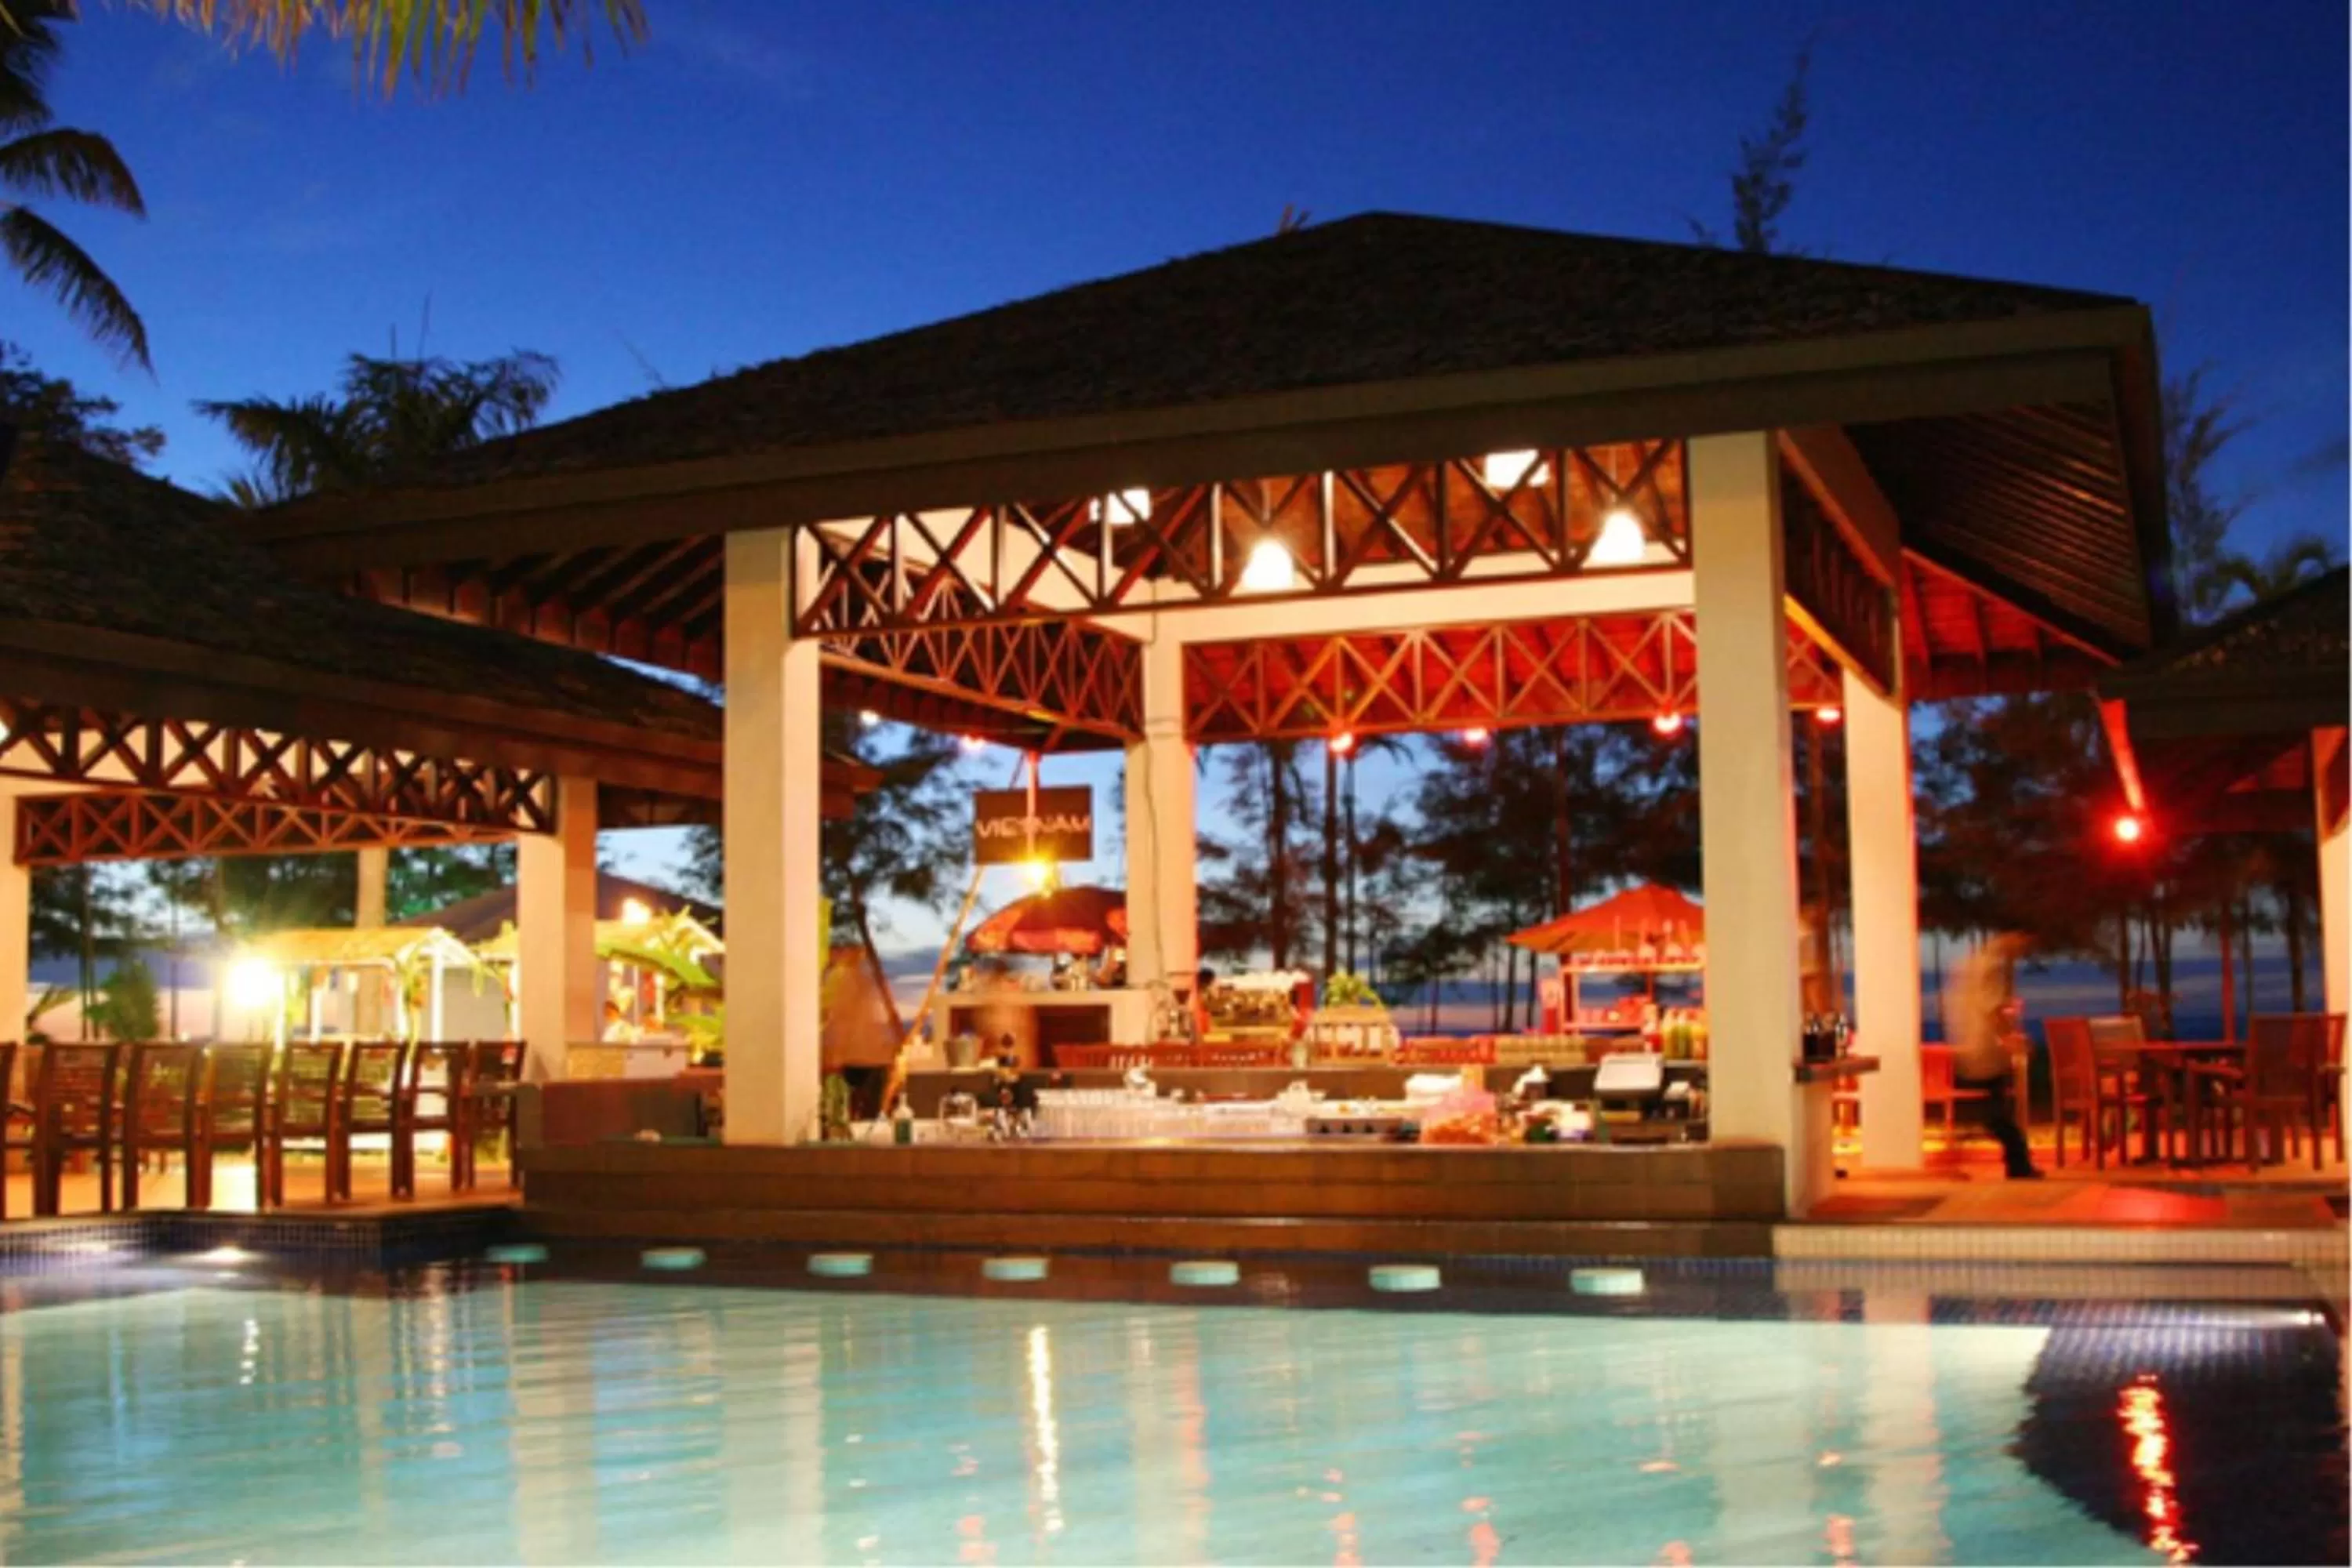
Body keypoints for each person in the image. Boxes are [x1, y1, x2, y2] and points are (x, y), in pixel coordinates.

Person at [1944, 932, 2042, 1179]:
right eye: (2022, 943)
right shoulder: (1991, 967)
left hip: (1967, 1044)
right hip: (1983, 1048)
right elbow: (1992, 1008)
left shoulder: (1968, 963)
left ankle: (2017, 1162)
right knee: (1994, 1111)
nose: (2022, 950)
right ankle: (2018, 1161)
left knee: (1991, 1108)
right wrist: (2010, 1037)